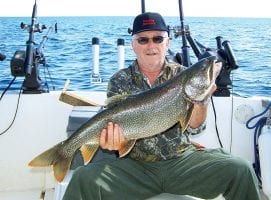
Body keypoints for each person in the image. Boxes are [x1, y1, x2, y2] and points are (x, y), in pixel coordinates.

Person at [63, 12, 261, 200]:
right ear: (134, 45)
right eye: (143, 39)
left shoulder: (182, 74)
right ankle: (62, 154)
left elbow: (195, 128)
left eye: (158, 38)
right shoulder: (119, 79)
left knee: (240, 169)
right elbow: (117, 138)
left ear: (167, 43)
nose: (151, 45)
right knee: (83, 178)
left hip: (182, 162)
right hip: (135, 168)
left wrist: (201, 101)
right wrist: (111, 142)